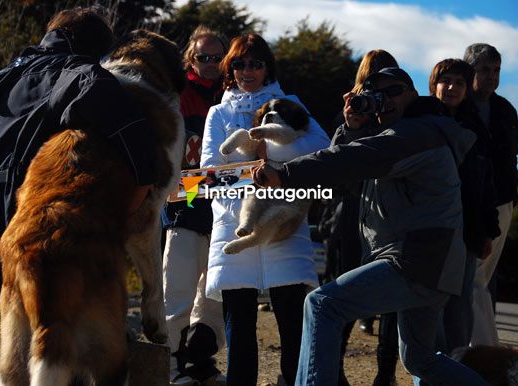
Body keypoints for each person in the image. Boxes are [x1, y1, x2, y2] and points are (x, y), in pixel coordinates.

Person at [254, 67, 490, 386]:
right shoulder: (407, 135)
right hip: (434, 265)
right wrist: (352, 126)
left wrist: (285, 173)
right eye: (377, 97)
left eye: (394, 92)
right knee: (420, 358)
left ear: (413, 93)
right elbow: (356, 169)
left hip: (415, 261)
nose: (386, 101)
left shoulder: (418, 133)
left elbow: (355, 158)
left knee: (323, 304)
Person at [0, 7, 159, 386]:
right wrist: (120, 217)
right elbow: (141, 151)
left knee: (5, 355)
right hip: (47, 229)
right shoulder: (82, 75)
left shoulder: (5, 77)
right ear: (95, 48)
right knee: (60, 355)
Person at [200, 33, 329, 386]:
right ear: (230, 68)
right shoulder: (218, 112)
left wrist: (273, 166)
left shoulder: (290, 103)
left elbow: (320, 147)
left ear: (267, 67)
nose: (247, 71)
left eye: (255, 63)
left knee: (291, 320)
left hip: (284, 219)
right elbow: (208, 169)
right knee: (238, 322)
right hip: (234, 220)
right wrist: (254, 164)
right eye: (239, 63)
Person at [328, 49, 400, 386]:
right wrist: (350, 124)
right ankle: (338, 370)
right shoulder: (353, 112)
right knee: (346, 290)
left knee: (387, 296)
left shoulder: (399, 114)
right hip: (353, 211)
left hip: (385, 212)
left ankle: (384, 374)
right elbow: (332, 165)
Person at [161, 26, 227, 386]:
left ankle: (200, 361)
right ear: (191, 58)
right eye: (204, 57)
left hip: (222, 207)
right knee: (178, 290)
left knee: (214, 295)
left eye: (218, 57)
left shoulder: (234, 95)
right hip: (186, 202)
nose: (212, 64)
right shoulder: (177, 96)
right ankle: (171, 366)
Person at [428, 59, 500, 356]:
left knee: (458, 312)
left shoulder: (476, 128)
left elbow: (486, 183)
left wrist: (489, 229)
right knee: (426, 313)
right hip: (426, 230)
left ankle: (456, 371)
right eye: (446, 81)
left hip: (466, 231)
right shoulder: (418, 121)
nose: (452, 87)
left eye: (460, 82)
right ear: (434, 85)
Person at [463, 43, 518, 346]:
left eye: (496, 70)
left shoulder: (506, 110)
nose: (492, 76)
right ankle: (484, 349)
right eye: (485, 69)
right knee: (470, 278)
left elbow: (512, 158)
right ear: (469, 69)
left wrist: (513, 196)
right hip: (467, 203)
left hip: (502, 203)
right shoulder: (458, 106)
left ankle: (479, 350)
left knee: (479, 279)